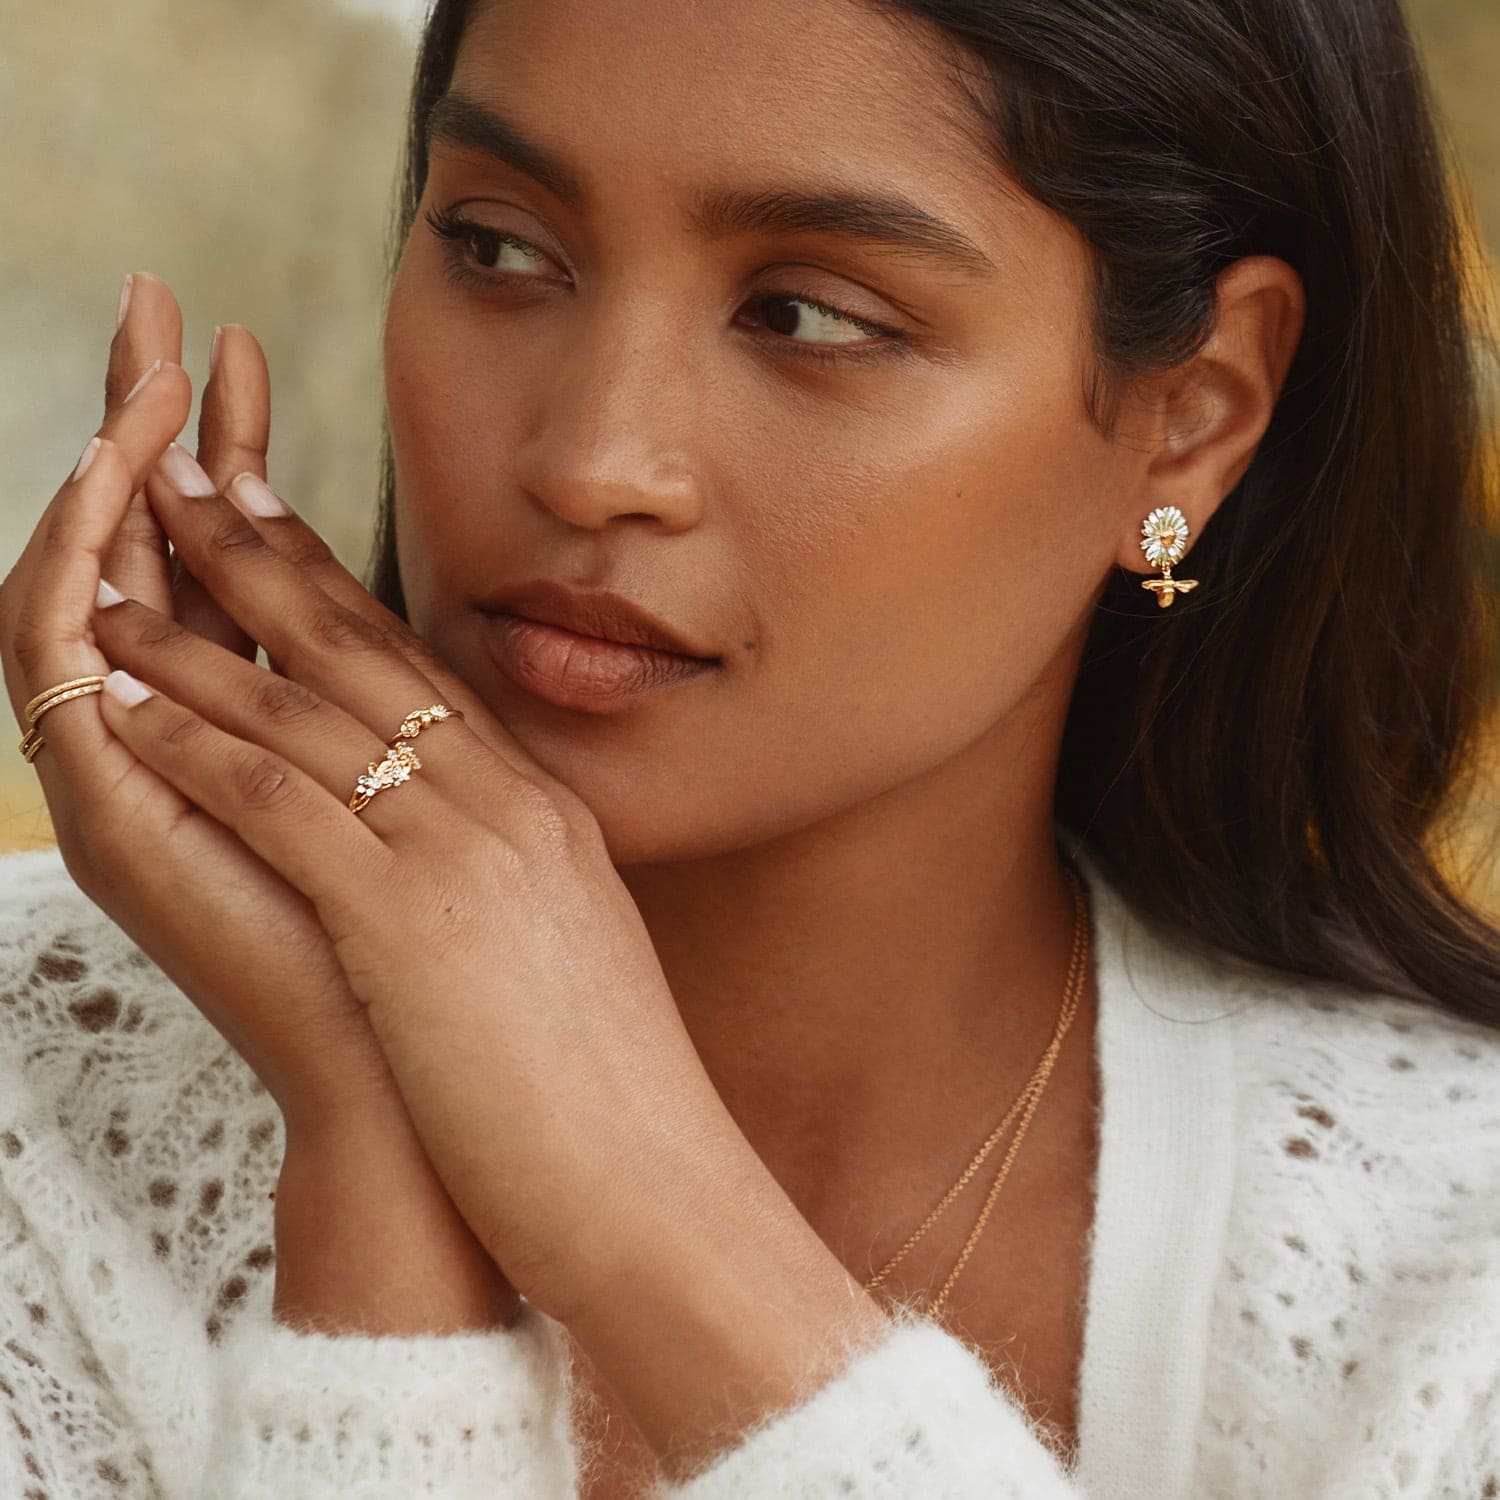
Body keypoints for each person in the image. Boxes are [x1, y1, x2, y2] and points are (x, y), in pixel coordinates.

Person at [1, 0, 1497, 1494]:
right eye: (501, 246)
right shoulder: (31, 1105)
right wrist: (373, 1178)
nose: (592, 461)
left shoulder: (1453, 1281)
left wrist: (655, 1223)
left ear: (1192, 418)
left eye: (807, 315)